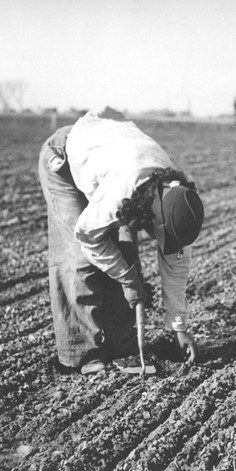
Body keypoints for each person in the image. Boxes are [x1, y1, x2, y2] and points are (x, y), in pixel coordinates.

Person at [38, 107, 204, 375]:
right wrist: (128, 280)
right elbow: (88, 235)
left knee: (125, 255)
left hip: (106, 157)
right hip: (66, 159)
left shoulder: (177, 203)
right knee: (78, 259)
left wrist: (178, 328)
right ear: (153, 217)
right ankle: (83, 354)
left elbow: (176, 270)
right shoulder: (124, 189)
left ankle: (121, 346)